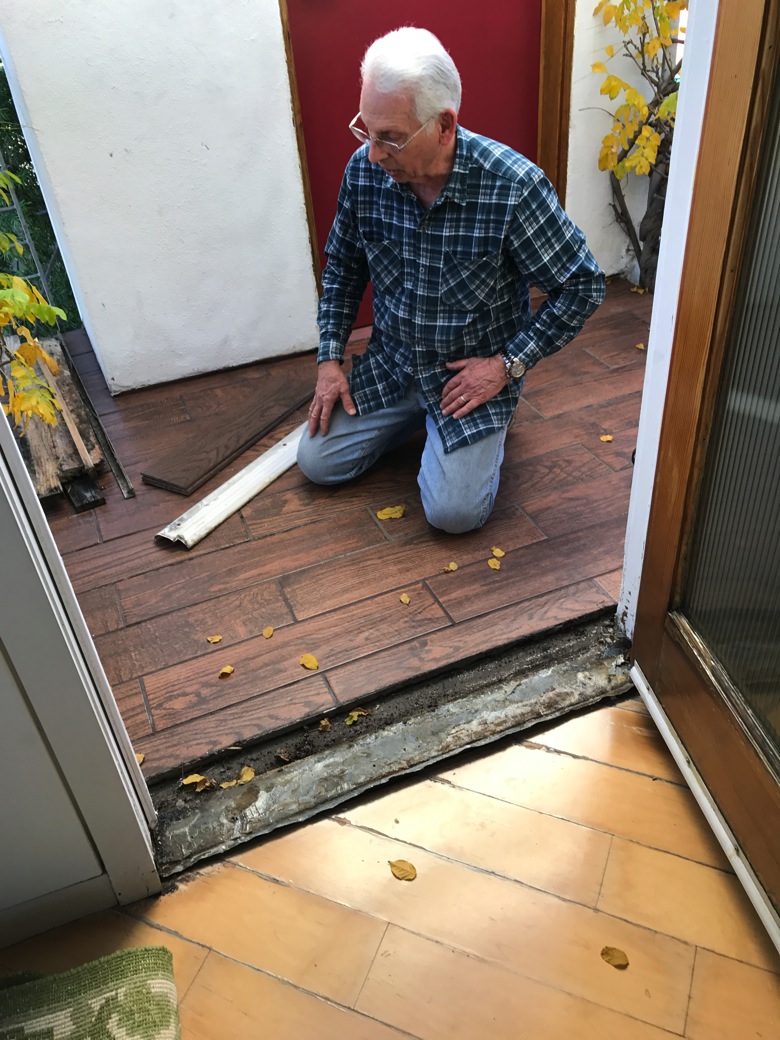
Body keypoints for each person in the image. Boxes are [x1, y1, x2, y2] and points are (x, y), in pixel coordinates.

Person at [298, 27, 605, 533]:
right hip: (394, 362)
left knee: (453, 516)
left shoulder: (513, 186)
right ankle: (425, 426)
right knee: (316, 462)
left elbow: (582, 286)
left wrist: (506, 366)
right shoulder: (364, 172)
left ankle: (488, 419)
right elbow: (344, 268)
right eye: (365, 131)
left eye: (389, 137)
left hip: (468, 379)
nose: (373, 154)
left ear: (444, 125)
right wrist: (329, 360)